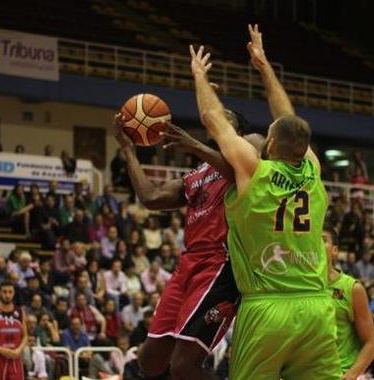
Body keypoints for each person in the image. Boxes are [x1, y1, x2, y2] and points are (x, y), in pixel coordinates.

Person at [192, 25, 342, 378]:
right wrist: (264, 66)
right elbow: (288, 120)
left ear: (271, 144)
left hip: (268, 307)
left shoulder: (253, 171)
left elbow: (214, 121)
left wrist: (199, 77)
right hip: (317, 309)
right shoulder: (313, 169)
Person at [115, 67, 263, 380]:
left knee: (184, 367)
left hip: (220, 265)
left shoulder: (247, 159)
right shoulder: (196, 176)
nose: (214, 116)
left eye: (223, 116)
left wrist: (194, 144)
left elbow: (235, 162)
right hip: (188, 264)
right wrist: (128, 151)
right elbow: (151, 197)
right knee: (150, 361)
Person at [324, 227, 374, 379]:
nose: (317, 244)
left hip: (342, 372)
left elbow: (370, 344)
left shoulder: (353, 289)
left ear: (335, 251)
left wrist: (350, 376)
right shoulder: (301, 286)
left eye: (323, 240)